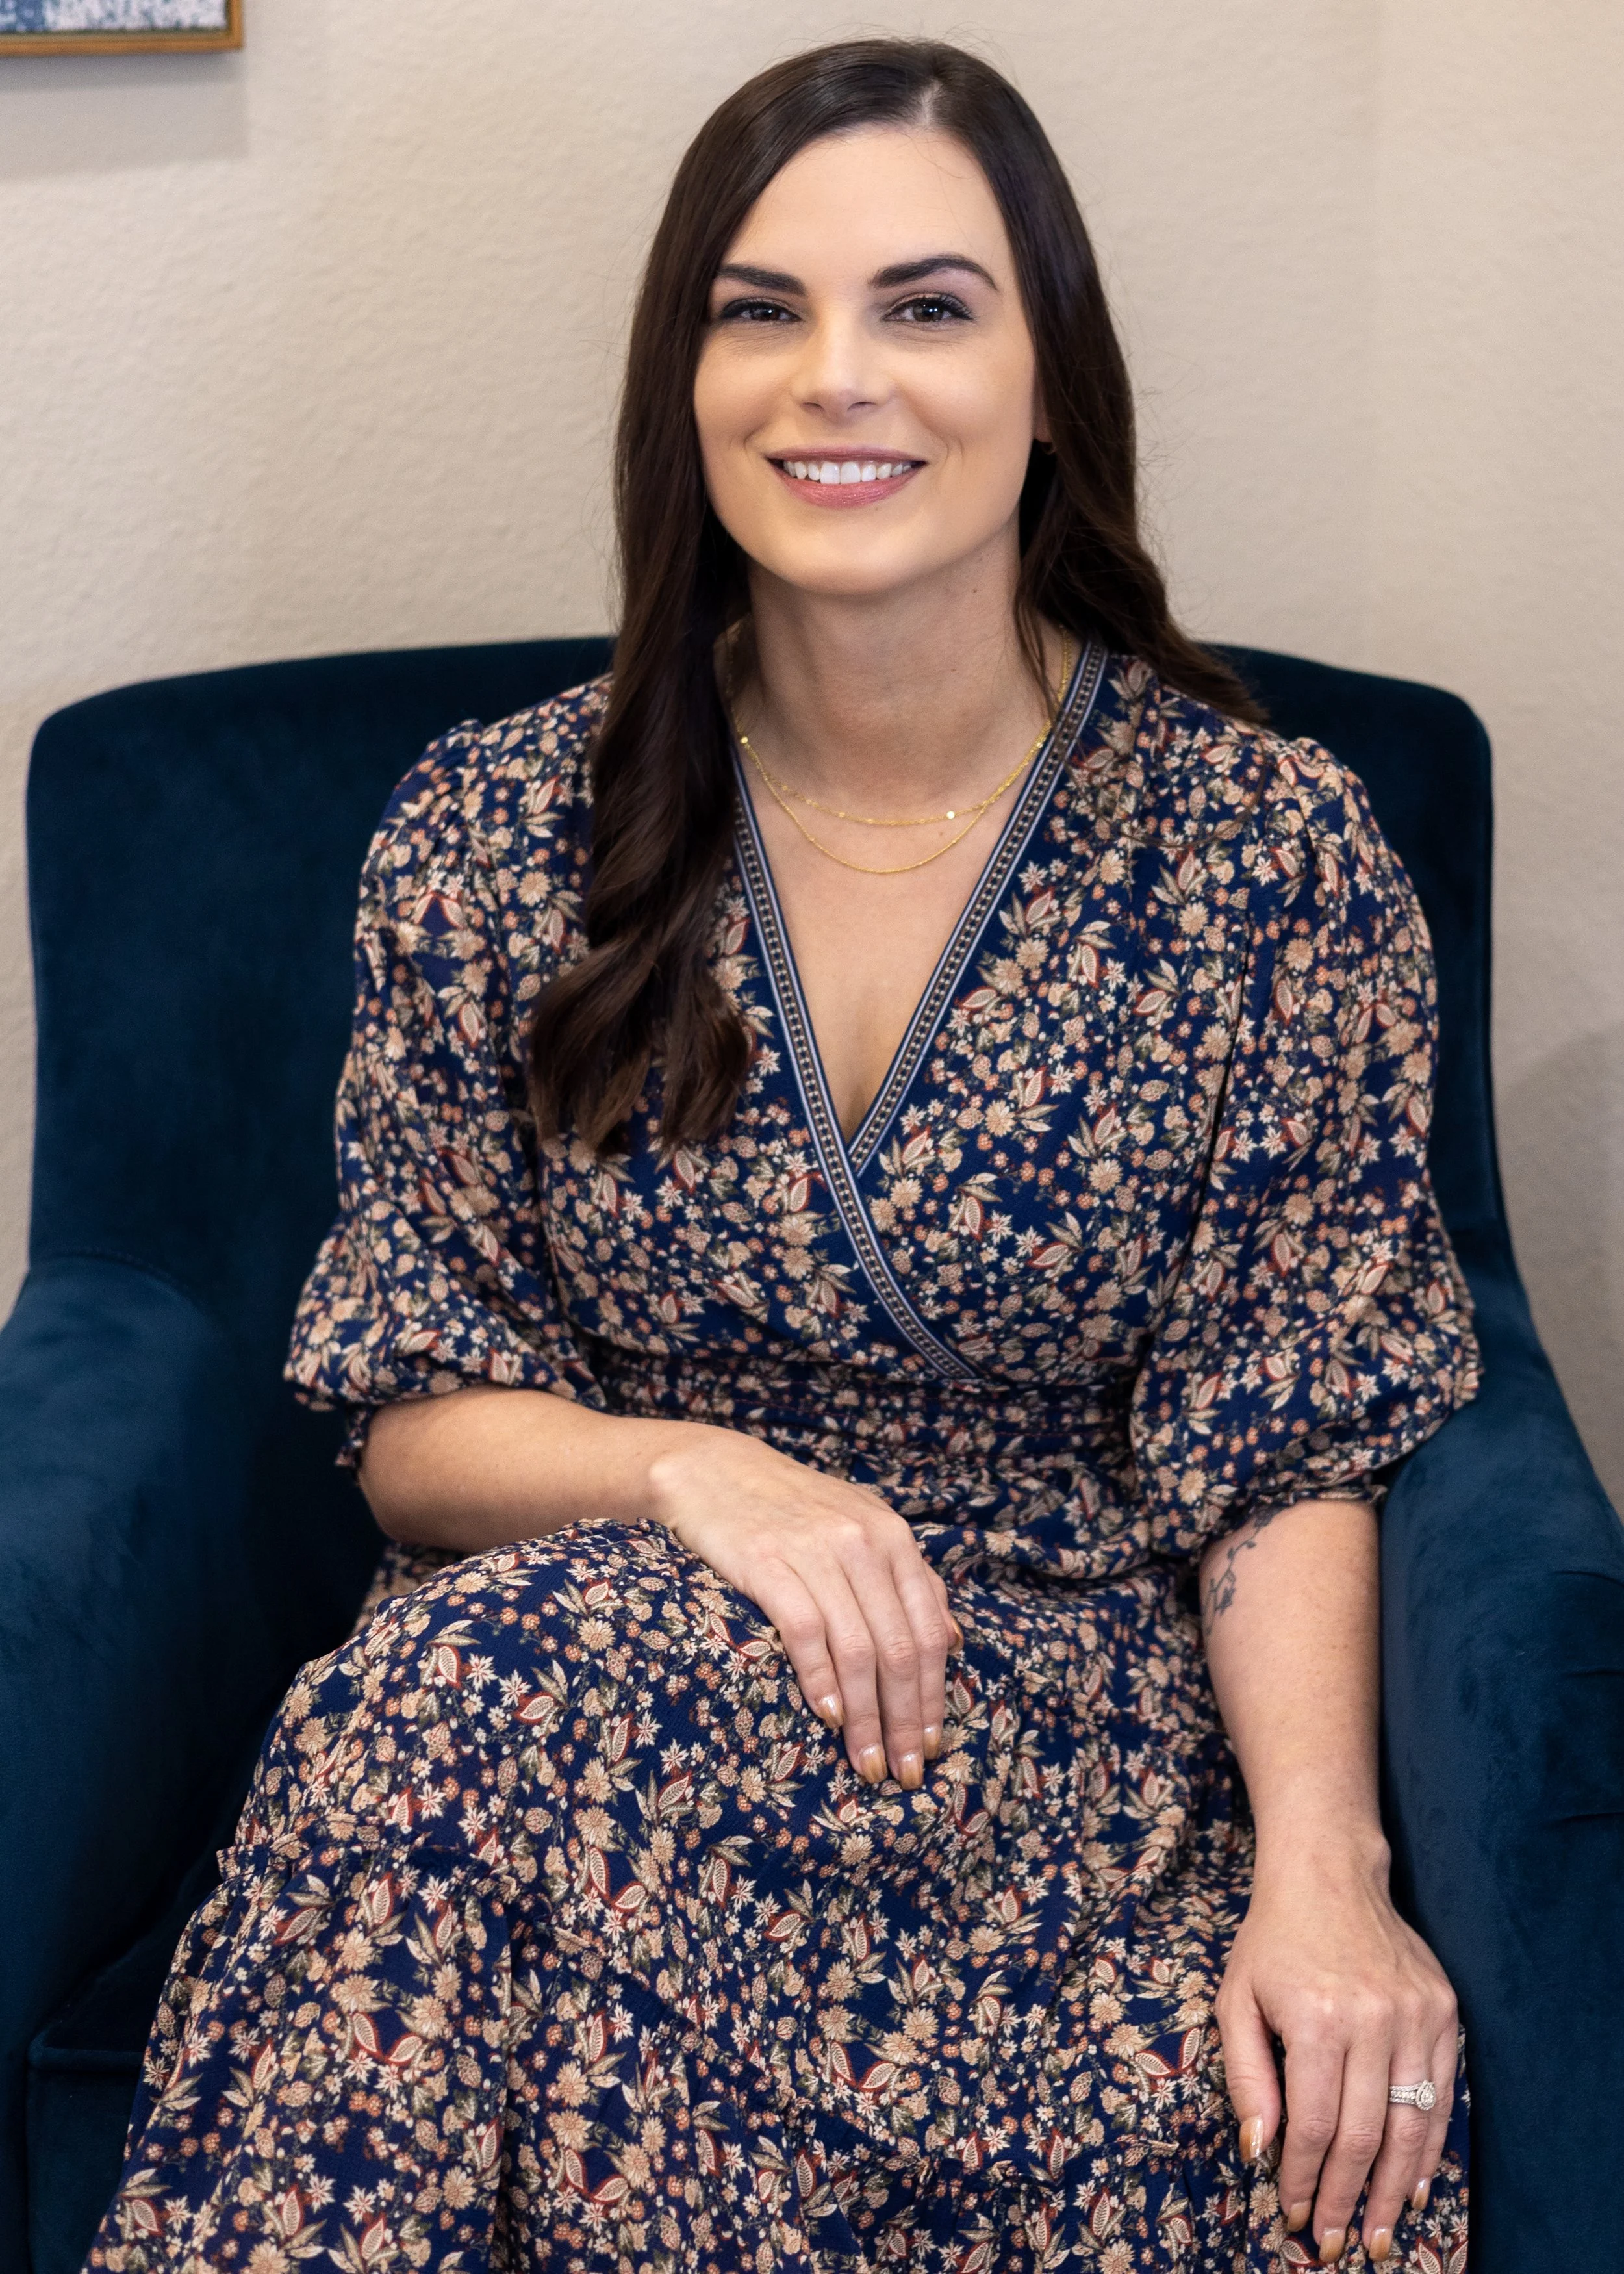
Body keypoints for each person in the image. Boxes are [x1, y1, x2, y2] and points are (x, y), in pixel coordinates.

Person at [88, 38, 1479, 2274]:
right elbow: (413, 1428)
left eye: (928, 306)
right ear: (685, 378)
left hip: (1054, 1737)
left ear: (1051, 373)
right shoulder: (492, 825)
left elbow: (1286, 1432)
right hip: (576, 1705)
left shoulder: (1264, 849)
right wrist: (692, 1475)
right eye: (759, 309)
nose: (837, 381)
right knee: (445, 1703)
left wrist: (1327, 1868)